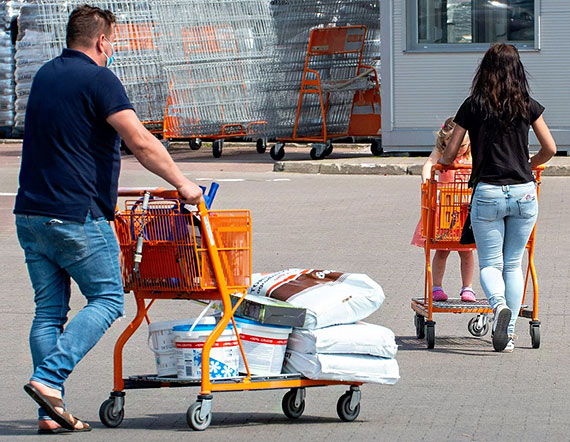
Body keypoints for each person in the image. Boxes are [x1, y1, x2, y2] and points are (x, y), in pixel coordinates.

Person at [14, 5, 203, 433]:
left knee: (48, 312)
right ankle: (47, 380)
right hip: (74, 215)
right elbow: (139, 140)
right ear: (102, 41)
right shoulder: (100, 78)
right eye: (113, 41)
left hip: (30, 213)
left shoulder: (45, 74)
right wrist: (183, 183)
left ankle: (50, 412)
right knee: (108, 299)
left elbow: (67, 140)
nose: (113, 48)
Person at [439, 43, 556, 353]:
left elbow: (450, 154)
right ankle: (511, 334)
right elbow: (551, 149)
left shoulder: (473, 105)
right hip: (523, 192)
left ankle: (498, 306)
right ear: (518, 71)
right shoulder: (527, 104)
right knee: (513, 264)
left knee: (490, 264)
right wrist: (528, 165)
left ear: (484, 70)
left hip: (488, 192)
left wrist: (445, 163)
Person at [412, 117, 476, 303]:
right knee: (441, 250)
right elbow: (429, 165)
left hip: (465, 210)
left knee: (466, 251)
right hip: (445, 210)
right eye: (452, 145)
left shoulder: (472, 154)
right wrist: (427, 183)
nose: (457, 149)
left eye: (461, 145)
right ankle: (437, 287)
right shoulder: (440, 151)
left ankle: (467, 288)